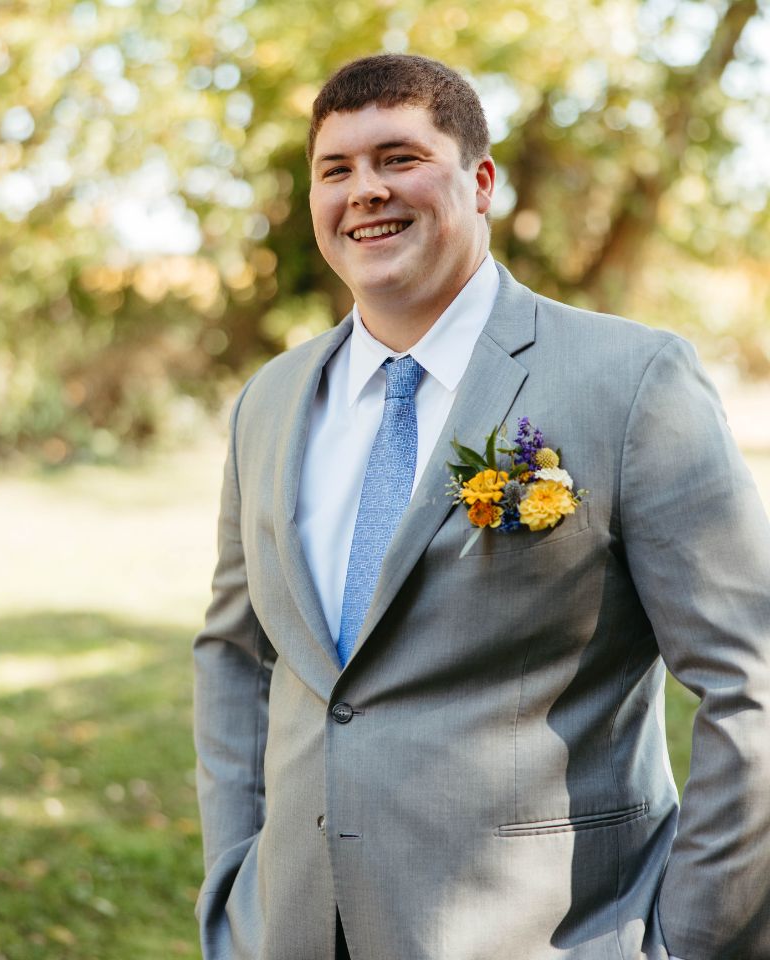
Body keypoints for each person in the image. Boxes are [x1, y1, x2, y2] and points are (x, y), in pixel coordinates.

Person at [193, 54, 770, 960]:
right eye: (335, 170)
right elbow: (235, 656)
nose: (365, 191)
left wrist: (694, 942)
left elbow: (753, 683)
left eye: (399, 158)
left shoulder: (630, 382)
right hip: (291, 930)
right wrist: (233, 885)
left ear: (482, 181)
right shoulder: (267, 401)